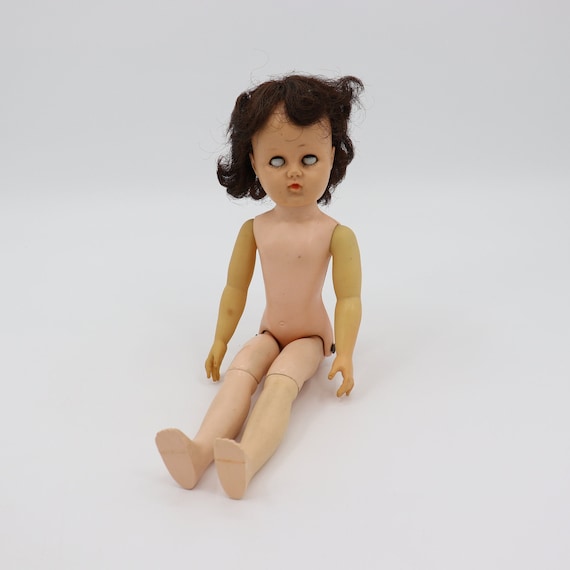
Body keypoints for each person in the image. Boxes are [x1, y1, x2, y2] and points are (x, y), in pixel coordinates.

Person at [156, 74, 363, 499]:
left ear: (332, 156)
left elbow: (349, 298)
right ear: (253, 160)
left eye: (309, 158)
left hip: (310, 338)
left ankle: (246, 460)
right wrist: (221, 339)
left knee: (280, 383)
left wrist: (345, 351)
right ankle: (199, 452)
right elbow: (235, 290)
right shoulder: (255, 229)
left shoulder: (336, 234)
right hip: (268, 331)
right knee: (241, 372)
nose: (293, 173)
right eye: (276, 161)